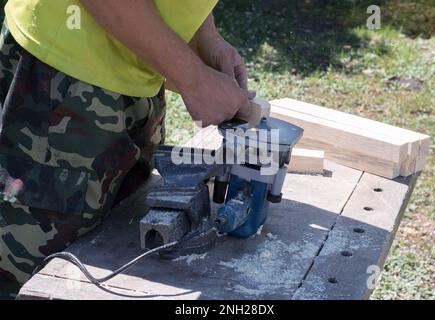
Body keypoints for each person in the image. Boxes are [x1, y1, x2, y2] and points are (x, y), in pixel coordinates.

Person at [0, 0, 252, 298]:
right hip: (64, 75)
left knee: (109, 249)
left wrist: (204, 35)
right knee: (29, 279)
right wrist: (194, 79)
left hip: (132, 67)